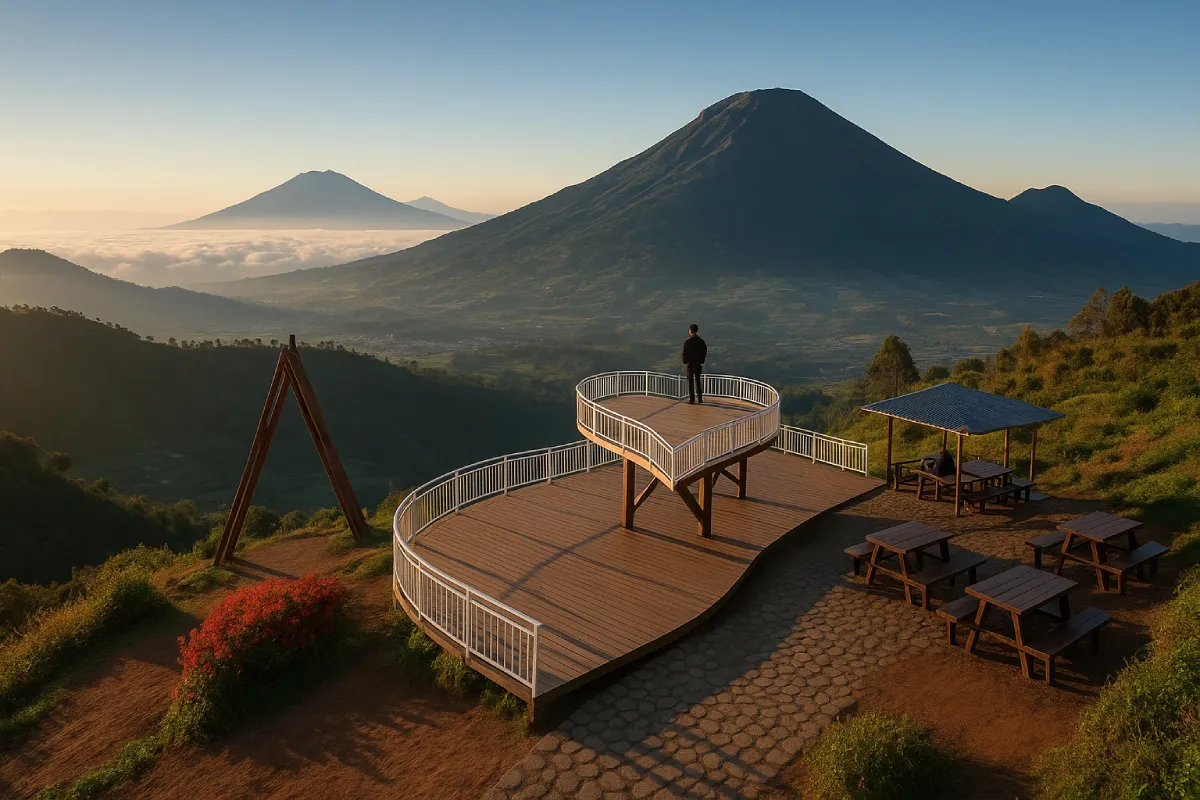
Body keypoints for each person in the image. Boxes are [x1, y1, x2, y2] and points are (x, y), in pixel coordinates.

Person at [680, 323, 708, 404]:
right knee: (698, 381)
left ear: (690, 331)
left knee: (691, 381)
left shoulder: (688, 341)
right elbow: (704, 351)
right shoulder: (701, 341)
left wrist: (685, 361)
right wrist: (702, 361)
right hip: (698, 364)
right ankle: (700, 399)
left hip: (690, 364)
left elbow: (684, 353)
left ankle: (692, 399)